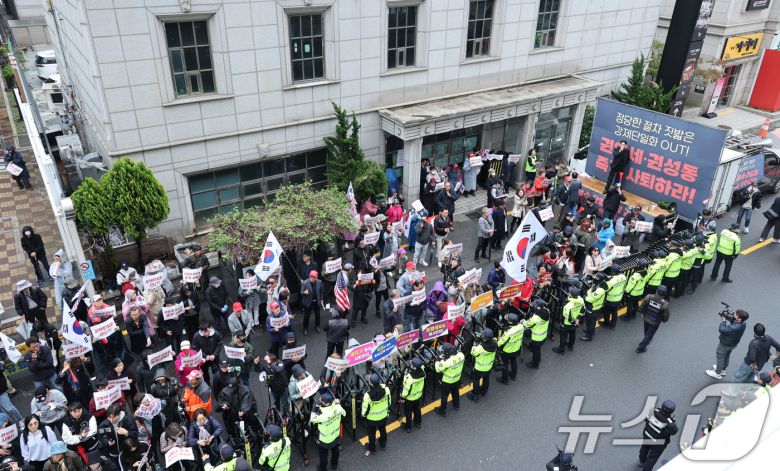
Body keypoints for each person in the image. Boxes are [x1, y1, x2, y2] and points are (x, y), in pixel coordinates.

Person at [706, 309, 749, 379]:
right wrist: (729, 317)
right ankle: (723, 369)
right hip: (733, 344)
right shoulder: (743, 323)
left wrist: (723, 321)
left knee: (720, 358)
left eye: (736, 314)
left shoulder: (734, 328)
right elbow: (734, 321)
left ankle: (717, 373)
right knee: (726, 356)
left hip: (725, 344)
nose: (733, 314)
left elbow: (722, 330)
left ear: (739, 318)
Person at [309, 392, 345, 471]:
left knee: (323, 455)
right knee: (335, 451)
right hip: (336, 435)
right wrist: (338, 404)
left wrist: (315, 406)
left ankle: (323, 468)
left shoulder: (322, 416)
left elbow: (312, 419)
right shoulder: (338, 408)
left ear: (324, 404)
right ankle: (334, 464)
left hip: (324, 439)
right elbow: (344, 413)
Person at [638, 400, 678, 471]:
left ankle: (642, 461)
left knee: (644, 448)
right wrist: (672, 421)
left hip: (647, 434)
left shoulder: (653, 411)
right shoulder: (670, 423)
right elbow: (674, 432)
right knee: (652, 458)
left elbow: (646, 419)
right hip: (658, 443)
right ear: (672, 411)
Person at [361, 374, 391, 456]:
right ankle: (383, 444)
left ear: (370, 383)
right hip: (383, 416)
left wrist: (363, 416)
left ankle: (373, 449)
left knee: (372, 434)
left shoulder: (367, 395)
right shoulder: (386, 389)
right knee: (383, 430)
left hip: (372, 419)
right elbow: (389, 402)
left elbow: (365, 410)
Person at [635, 285, 671, 353]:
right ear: (665, 293)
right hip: (655, 322)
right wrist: (663, 320)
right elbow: (666, 316)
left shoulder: (649, 296)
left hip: (646, 318)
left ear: (656, 291)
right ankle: (641, 348)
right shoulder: (665, 304)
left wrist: (640, 312)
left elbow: (642, 304)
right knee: (649, 334)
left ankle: (646, 339)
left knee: (646, 331)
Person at [434, 343, 464, 416]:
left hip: (447, 381)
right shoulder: (461, 355)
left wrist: (437, 361)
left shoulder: (447, 362)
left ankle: (442, 411)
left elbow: (438, 369)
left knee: (444, 396)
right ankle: (456, 405)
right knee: (455, 392)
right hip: (457, 378)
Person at [468, 328, 497, 401]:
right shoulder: (495, 342)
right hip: (489, 366)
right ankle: (484, 392)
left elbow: (473, 353)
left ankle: (475, 395)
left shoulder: (480, 348)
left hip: (479, 368)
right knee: (486, 379)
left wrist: (474, 346)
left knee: (476, 380)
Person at [553, 288, 584, 354]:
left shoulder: (568, 305)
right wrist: (578, 319)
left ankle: (561, 349)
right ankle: (570, 346)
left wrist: (573, 323)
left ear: (571, 294)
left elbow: (567, 317)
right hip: (575, 321)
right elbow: (583, 310)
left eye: (569, 292)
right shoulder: (581, 300)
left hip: (566, 323)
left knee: (563, 336)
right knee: (572, 334)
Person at [496, 313, 524, 384]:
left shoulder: (508, 332)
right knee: (514, 361)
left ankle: (505, 380)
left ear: (510, 322)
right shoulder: (521, 326)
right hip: (516, 348)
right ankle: (513, 375)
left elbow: (500, 343)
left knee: (504, 365)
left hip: (507, 351)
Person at [400, 357, 425, 432]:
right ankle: (418, 423)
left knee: (408, 412)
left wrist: (402, 398)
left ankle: (408, 427)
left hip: (409, 398)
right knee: (417, 409)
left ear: (414, 367)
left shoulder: (409, 378)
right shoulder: (423, 372)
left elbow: (406, 389)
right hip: (418, 395)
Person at [300, 270, 323, 336]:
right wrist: (304, 292)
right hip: (308, 302)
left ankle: (317, 326)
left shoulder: (319, 282)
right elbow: (301, 292)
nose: (312, 278)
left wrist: (321, 299)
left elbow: (321, 291)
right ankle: (305, 328)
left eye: (314, 277)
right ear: (309, 276)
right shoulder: (305, 283)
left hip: (316, 301)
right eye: (311, 276)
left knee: (317, 315)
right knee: (306, 316)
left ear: (317, 277)